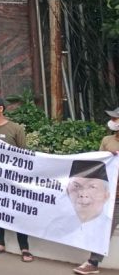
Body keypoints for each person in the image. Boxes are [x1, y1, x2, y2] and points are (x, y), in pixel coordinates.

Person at [0, 95, 33, 263]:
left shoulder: (16, 129)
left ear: (1, 109)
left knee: (18, 211)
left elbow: (25, 154)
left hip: (14, 179)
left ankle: (24, 247)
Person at [73, 108, 119, 275]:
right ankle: (93, 263)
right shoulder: (107, 140)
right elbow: (100, 163)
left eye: (116, 118)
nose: (113, 121)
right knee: (103, 229)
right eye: (113, 118)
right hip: (113, 195)